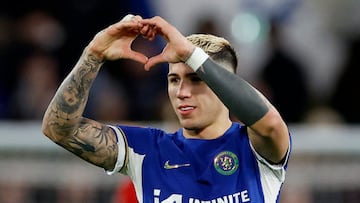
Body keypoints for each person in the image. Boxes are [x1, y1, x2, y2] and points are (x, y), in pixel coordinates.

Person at [42, 14, 291, 203]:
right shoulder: (147, 149)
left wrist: (191, 54)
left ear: (222, 83)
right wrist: (93, 54)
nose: (182, 92)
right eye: (174, 80)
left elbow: (268, 121)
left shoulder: (255, 147)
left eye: (196, 79)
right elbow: (59, 129)